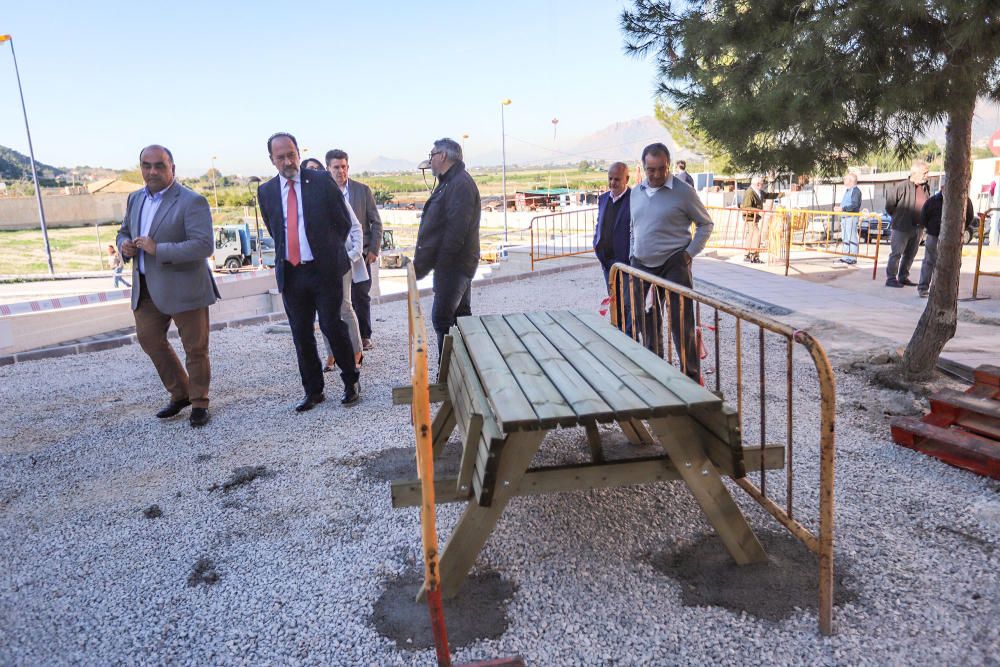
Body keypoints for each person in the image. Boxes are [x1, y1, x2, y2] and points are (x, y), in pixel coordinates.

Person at [116, 145, 219, 427]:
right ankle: (180, 392)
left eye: (159, 165)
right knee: (150, 340)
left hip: (185, 287)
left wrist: (158, 249)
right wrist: (123, 245)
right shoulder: (134, 198)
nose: (152, 171)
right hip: (146, 287)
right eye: (146, 165)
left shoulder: (191, 201)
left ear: (172, 167)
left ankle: (199, 402)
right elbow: (124, 230)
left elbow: (203, 245)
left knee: (195, 349)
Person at [257, 132, 360, 411]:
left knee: (331, 325)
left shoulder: (321, 181)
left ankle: (351, 380)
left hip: (323, 271)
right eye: (281, 157)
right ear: (272, 160)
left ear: (298, 153)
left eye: (292, 154)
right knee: (300, 333)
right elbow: (274, 228)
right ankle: (313, 391)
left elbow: (342, 221)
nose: (288, 161)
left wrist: (328, 252)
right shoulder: (265, 191)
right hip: (291, 273)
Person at [629, 142, 713, 382]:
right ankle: (654, 370)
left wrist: (689, 254)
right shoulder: (636, 192)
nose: (656, 175)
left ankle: (691, 376)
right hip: (641, 263)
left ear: (669, 166)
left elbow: (705, 224)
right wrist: (632, 252)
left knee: (681, 322)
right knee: (644, 317)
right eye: (650, 169)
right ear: (644, 167)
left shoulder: (683, 191)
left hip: (674, 262)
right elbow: (634, 227)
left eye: (661, 169)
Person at [413, 138, 481, 354]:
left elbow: (455, 231)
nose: (430, 159)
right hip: (455, 264)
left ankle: (448, 375)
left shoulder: (459, 184)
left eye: (432, 154)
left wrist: (440, 264)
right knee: (460, 319)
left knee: (443, 319)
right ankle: (462, 371)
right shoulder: (452, 182)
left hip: (455, 265)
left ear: (442, 156)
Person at [298, 157, 365, 374]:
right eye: (309, 171)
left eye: (317, 170)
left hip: (337, 262)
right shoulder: (297, 198)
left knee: (344, 307)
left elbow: (354, 226)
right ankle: (332, 353)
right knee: (323, 312)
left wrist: (351, 255)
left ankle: (356, 351)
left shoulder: (331, 194)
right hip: (312, 265)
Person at [326, 149, 382, 351]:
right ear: (328, 169)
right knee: (342, 301)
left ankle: (365, 336)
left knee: (361, 296)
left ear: (348, 168)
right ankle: (347, 339)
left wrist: (373, 249)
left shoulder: (362, 190)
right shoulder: (325, 193)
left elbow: (376, 222)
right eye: (336, 167)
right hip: (336, 258)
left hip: (362, 255)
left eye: (343, 167)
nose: (340, 171)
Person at [917, 186, 975, 298]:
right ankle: (923, 287)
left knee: (950, 263)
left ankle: (945, 290)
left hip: (953, 237)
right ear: (943, 189)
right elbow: (924, 217)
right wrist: (929, 229)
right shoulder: (933, 201)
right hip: (934, 235)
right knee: (929, 261)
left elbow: (969, 216)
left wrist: (961, 230)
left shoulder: (965, 200)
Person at [885, 161, 931, 288]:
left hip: (918, 227)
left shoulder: (925, 187)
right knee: (896, 253)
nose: (927, 175)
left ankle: (903, 277)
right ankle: (891, 278)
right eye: (925, 172)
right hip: (901, 227)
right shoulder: (901, 186)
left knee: (910, 254)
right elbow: (890, 205)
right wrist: (899, 217)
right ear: (915, 173)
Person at [593, 161, 631, 291]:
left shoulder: (634, 199)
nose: (613, 182)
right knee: (613, 301)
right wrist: (596, 245)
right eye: (610, 178)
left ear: (626, 179)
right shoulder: (603, 199)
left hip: (626, 265)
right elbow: (599, 224)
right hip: (606, 262)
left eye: (617, 179)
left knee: (627, 304)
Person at [741, 176, 781, 263]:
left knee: (750, 235)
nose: (763, 185)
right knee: (757, 235)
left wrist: (780, 194)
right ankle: (754, 255)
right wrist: (760, 211)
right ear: (758, 184)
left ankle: (747, 255)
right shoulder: (750, 192)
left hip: (755, 218)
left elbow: (767, 195)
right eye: (762, 183)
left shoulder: (758, 191)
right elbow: (746, 207)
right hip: (750, 218)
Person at [836, 172, 862, 264]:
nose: (844, 180)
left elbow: (854, 205)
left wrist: (842, 208)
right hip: (845, 217)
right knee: (845, 238)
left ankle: (853, 258)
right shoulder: (848, 190)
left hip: (851, 217)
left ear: (850, 181)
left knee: (852, 238)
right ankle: (845, 256)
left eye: (846, 179)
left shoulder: (855, 191)